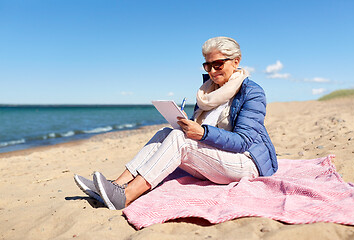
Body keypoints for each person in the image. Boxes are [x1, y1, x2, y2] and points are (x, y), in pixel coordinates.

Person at [74, 36, 278, 210]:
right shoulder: (207, 91)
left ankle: (126, 195)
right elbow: (205, 128)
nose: (212, 71)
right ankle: (115, 185)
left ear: (236, 61)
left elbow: (243, 141)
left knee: (180, 139)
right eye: (208, 65)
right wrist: (188, 125)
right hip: (219, 156)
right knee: (166, 132)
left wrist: (203, 134)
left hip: (246, 162)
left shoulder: (252, 92)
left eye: (218, 64)